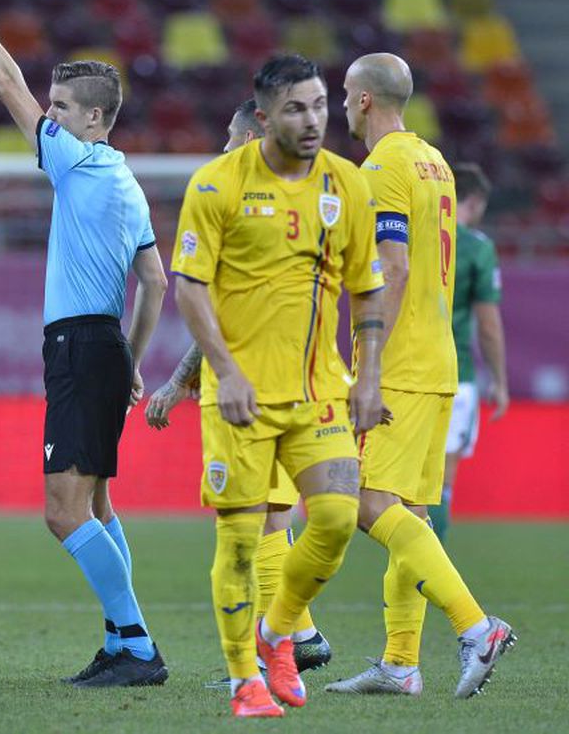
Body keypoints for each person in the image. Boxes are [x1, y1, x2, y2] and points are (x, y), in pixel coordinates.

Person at [0, 0, 169, 688]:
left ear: (95, 119)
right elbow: (155, 281)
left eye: (62, 106)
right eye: (54, 105)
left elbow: (6, 85)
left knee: (61, 510)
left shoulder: (77, 165)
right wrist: (133, 357)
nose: (50, 114)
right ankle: (119, 640)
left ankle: (136, 645)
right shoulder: (128, 183)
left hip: (80, 343)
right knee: (100, 502)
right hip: (102, 341)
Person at [171, 54, 390, 717]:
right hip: (238, 395)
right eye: (296, 108)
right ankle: (245, 679)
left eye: (321, 104)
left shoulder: (347, 184)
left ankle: (276, 628)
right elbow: (188, 285)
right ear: (263, 117)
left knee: (334, 518)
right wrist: (223, 371)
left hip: (319, 387)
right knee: (241, 537)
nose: (313, 119)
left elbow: (368, 286)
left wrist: (368, 373)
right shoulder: (216, 184)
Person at [328, 54, 515, 699]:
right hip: (442, 360)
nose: (341, 106)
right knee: (412, 513)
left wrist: (369, 367)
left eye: (345, 95)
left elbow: (396, 267)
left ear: (362, 102)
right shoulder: (434, 162)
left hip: (402, 364)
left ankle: (475, 626)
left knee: (366, 503)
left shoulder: (378, 168)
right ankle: (400, 663)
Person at [146, 98, 333, 679]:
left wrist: (179, 384)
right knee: (276, 519)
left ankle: (271, 651)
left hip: (254, 394)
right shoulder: (304, 200)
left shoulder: (239, 207)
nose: (224, 151)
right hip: (297, 385)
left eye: (231, 138)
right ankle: (296, 637)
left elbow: (218, 316)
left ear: (255, 132)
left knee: (254, 525)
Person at [430, 164, 508, 541]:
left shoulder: (419, 237)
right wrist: (501, 381)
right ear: (475, 202)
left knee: (410, 482)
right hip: (455, 373)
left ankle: (407, 573)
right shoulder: (477, 247)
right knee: (441, 481)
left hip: (408, 371)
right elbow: (488, 324)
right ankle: (427, 579)